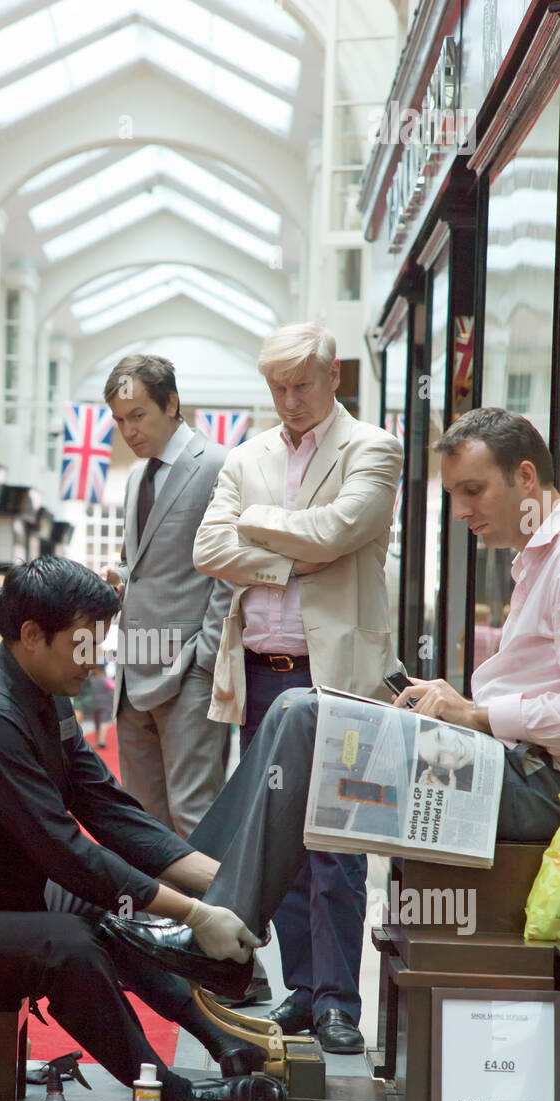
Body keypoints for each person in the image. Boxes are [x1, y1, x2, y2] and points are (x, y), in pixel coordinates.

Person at [0, 556, 285, 1101]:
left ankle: (222, 1040)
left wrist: (224, 884)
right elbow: (65, 852)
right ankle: (172, 1096)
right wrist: (193, 912)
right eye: (84, 645)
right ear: (32, 636)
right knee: (69, 942)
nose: (95, 660)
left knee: (95, 910)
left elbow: (107, 808)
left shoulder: (46, 695)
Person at [189, 406, 560, 977]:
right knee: (296, 708)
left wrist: (478, 714)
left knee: (309, 719)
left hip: (536, 787)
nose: (461, 510)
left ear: (527, 478)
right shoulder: (532, 560)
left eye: (473, 490)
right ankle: (216, 913)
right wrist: (454, 703)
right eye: (455, 493)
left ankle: (211, 917)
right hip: (511, 765)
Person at [193, 323, 403, 1052]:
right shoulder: (246, 455)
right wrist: (286, 561)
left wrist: (255, 526)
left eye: (301, 385)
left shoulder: (371, 448)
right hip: (259, 677)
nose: (288, 400)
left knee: (337, 847)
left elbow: (339, 530)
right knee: (277, 846)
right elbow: (206, 548)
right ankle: (303, 992)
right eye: (276, 387)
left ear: (332, 377)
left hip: (333, 680)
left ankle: (341, 1001)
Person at [103, 354, 231, 840]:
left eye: (138, 416)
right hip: (135, 665)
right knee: (142, 818)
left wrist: (206, 657)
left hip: (188, 669)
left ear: (171, 403)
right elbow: (139, 564)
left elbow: (229, 571)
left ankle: (213, 919)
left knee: (195, 815)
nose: (128, 431)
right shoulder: (137, 476)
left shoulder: (218, 464)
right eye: (119, 420)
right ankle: (157, 918)